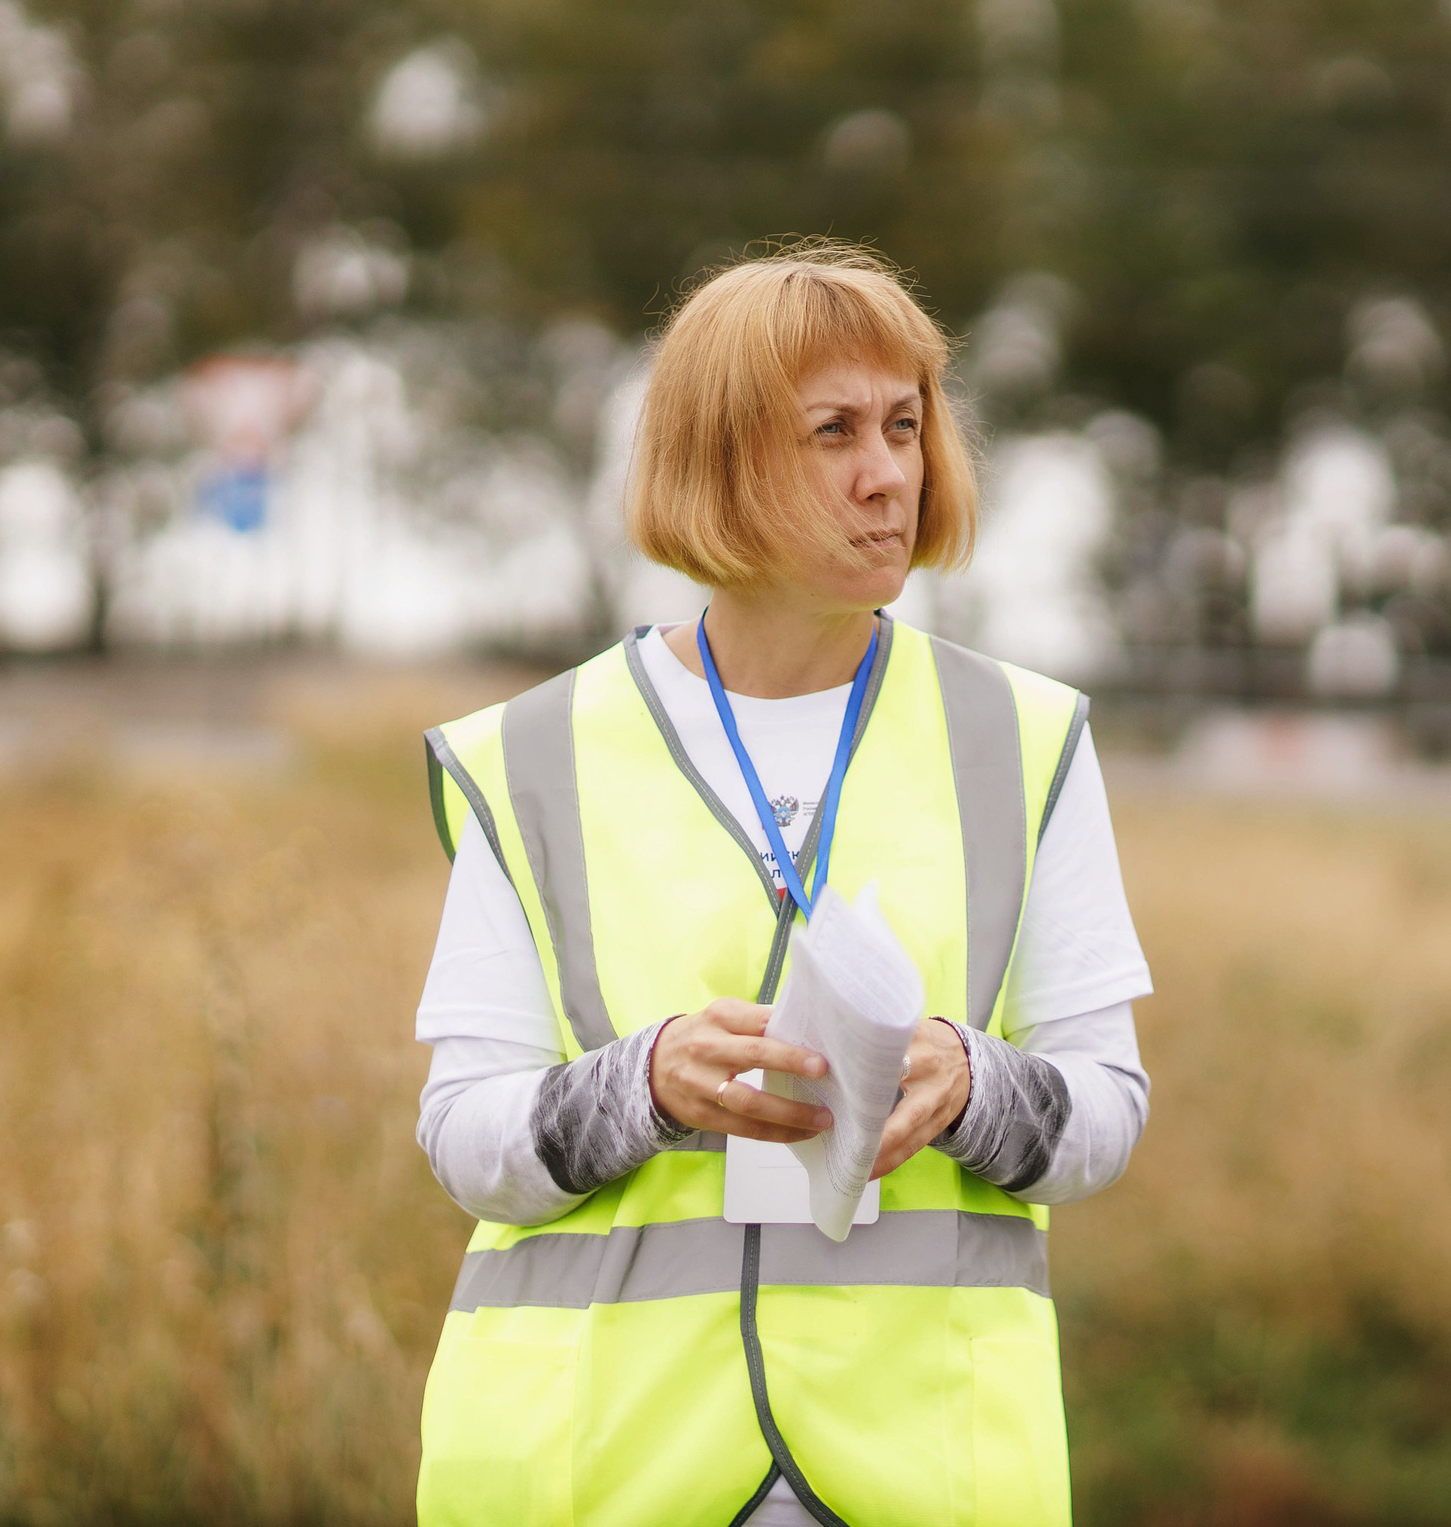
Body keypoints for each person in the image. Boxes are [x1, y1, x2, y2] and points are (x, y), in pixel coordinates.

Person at [410, 242, 1153, 1527]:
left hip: (925, 1470)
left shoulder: (1025, 740)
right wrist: (639, 1086)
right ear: (721, 460)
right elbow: (466, 1143)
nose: (889, 475)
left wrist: (971, 1084)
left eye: (905, 426)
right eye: (833, 433)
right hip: (605, 1470)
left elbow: (1105, 1116)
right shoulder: (532, 754)